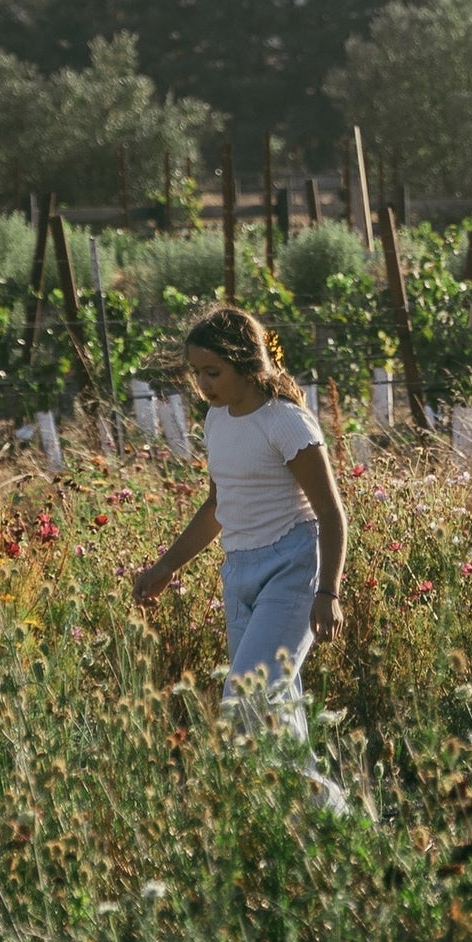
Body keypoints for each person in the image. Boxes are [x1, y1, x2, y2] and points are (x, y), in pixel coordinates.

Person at [131, 304, 348, 780]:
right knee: (278, 710)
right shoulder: (218, 420)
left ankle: (321, 813)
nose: (204, 385)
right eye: (197, 373)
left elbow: (331, 514)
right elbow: (217, 506)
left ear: (247, 363)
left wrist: (328, 592)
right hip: (240, 572)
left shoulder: (286, 421)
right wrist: (166, 566)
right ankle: (319, 827)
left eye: (214, 372)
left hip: (293, 566)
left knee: (248, 700)